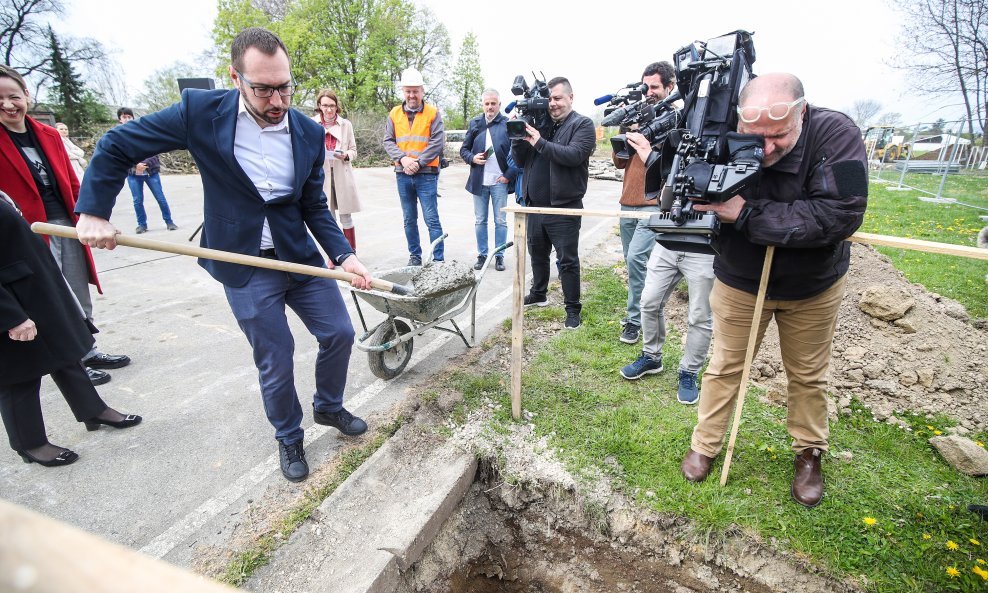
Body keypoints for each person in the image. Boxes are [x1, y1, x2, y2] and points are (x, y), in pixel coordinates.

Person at [74, 27, 375, 483]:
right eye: (262, 89)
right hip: (244, 262)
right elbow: (118, 145)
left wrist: (343, 255)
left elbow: (313, 203)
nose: (277, 101)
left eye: (284, 87)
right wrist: (94, 210)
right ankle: (288, 435)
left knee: (339, 333)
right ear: (235, 78)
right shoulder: (201, 113)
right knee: (276, 355)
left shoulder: (310, 133)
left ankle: (328, 407)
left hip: (298, 256)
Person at [678, 73, 868, 509]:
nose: (765, 148)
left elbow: (840, 214)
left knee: (806, 375)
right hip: (741, 279)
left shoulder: (837, 135)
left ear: (802, 112)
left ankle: (809, 453)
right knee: (725, 367)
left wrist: (745, 214)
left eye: (778, 136)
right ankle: (704, 445)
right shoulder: (720, 127)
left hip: (812, 285)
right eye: (753, 136)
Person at [0, 64, 131, 387]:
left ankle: (87, 349)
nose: (8, 105)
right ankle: (71, 359)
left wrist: (93, 213)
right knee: (49, 296)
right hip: (25, 233)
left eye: (13, 96)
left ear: (26, 95)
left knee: (75, 288)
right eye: (0, 100)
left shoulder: (48, 135)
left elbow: (73, 183)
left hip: (65, 220)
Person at [0, 192, 141, 467]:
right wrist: (9, 317)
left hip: (31, 283)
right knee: (20, 376)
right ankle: (30, 443)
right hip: (10, 299)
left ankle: (93, 410)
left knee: (66, 355)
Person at [618, 130, 714, 406]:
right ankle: (652, 356)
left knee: (699, 315)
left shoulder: (722, 150)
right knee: (649, 302)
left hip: (705, 246)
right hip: (669, 238)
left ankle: (689, 371)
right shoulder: (675, 142)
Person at [511, 77, 596, 329]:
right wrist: (519, 134)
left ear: (571, 97)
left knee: (567, 260)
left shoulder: (582, 124)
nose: (553, 104)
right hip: (534, 204)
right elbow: (519, 161)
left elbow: (573, 155)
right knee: (537, 253)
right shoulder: (540, 124)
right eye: (549, 99)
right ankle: (539, 293)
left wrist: (539, 141)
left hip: (564, 207)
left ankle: (572, 309)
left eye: (558, 98)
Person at [613, 62, 677, 344]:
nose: (649, 92)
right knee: (633, 262)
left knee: (638, 258)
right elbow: (618, 161)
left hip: (653, 203)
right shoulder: (636, 116)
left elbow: (668, 165)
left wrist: (649, 138)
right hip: (628, 201)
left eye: (655, 87)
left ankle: (635, 320)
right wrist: (630, 131)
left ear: (669, 87)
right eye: (646, 86)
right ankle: (644, 313)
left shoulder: (675, 120)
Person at [383, 67, 446, 266]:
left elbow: (437, 142)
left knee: (431, 219)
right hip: (403, 174)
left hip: (426, 174)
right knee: (409, 219)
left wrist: (417, 162)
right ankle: (415, 255)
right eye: (408, 91)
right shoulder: (394, 114)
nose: (412, 95)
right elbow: (388, 141)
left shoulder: (433, 113)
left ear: (422, 91)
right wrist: (403, 159)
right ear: (403, 91)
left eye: (415, 91)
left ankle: (438, 259)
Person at [460, 89, 520, 272]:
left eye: (493, 103)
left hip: (499, 183)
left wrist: (508, 175)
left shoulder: (507, 124)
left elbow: (518, 153)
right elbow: (464, 150)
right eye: (486, 103)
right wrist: (472, 158)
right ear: (483, 105)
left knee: (500, 221)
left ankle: (499, 256)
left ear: (499, 105)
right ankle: (482, 254)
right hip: (479, 182)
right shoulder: (475, 124)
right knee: (480, 220)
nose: (490, 107)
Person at [312, 90, 361, 265]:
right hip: (322, 175)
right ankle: (333, 255)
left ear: (336, 106)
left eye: (332, 106)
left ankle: (351, 254)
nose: (329, 110)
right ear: (319, 106)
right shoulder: (313, 124)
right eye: (325, 105)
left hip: (342, 174)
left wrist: (346, 155)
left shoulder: (345, 125)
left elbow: (354, 150)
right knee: (328, 218)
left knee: (345, 217)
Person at [116, 108, 178, 234]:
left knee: (160, 198)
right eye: (124, 117)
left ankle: (169, 221)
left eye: (129, 116)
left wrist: (144, 164)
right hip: (133, 174)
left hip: (150, 173)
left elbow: (154, 149)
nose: (127, 119)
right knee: (137, 200)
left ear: (133, 118)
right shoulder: (118, 136)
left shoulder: (143, 131)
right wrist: (135, 165)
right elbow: (119, 154)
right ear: (120, 120)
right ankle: (142, 225)